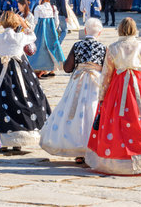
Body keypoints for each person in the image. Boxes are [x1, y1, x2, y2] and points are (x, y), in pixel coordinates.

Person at [85, 17, 141, 175]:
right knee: (140, 119)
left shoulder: (113, 47)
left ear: (120, 29)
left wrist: (102, 96)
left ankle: (120, 157)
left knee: (119, 121)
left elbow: (106, 74)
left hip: (118, 87)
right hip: (140, 86)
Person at [40, 18, 106, 164]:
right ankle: (94, 148)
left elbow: (67, 68)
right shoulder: (102, 47)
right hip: (96, 82)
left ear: (86, 31)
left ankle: (78, 150)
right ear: (100, 32)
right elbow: (107, 68)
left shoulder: (78, 46)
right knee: (92, 111)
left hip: (79, 81)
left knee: (76, 112)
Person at [0, 11, 51, 151]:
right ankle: (18, 141)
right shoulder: (20, 37)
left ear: (3, 22)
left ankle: (1, 138)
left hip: (0, 71)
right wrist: (23, 23)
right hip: (19, 72)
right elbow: (33, 36)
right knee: (22, 100)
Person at [28, 0, 65, 79]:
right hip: (51, 30)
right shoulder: (53, 8)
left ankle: (41, 69)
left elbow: (35, 21)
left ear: (42, 0)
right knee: (53, 48)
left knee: (40, 49)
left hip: (41, 29)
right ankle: (52, 70)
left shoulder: (38, 8)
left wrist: (31, 30)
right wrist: (54, 30)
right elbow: (56, 22)